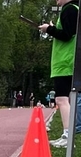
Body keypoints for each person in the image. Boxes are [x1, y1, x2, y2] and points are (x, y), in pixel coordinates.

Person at [39, 0, 79, 147]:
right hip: (67, 62)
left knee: (62, 100)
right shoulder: (73, 9)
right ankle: (68, 135)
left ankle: (68, 136)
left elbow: (67, 35)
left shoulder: (69, 9)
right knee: (65, 99)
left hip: (65, 62)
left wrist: (49, 29)